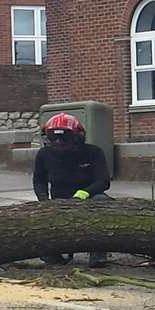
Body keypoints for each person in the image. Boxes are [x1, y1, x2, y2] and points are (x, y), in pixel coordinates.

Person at [32, 112, 112, 268]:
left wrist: (84, 193)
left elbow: (103, 181)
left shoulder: (93, 152)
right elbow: (39, 180)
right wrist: (43, 199)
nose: (59, 142)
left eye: (64, 139)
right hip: (58, 200)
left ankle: (98, 251)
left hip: (89, 197)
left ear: (77, 137)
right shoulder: (44, 155)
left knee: (102, 203)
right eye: (54, 138)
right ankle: (51, 254)